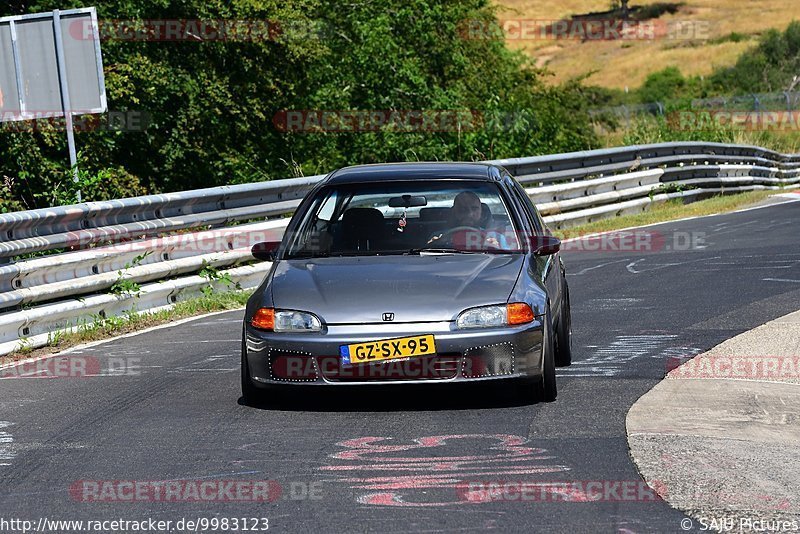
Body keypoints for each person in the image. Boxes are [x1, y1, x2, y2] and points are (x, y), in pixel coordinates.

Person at [427, 191, 510, 249]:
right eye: (463, 209)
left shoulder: (497, 237)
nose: (469, 214)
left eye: (474, 209)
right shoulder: (439, 236)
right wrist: (433, 246)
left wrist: (497, 249)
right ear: (454, 212)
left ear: (482, 212)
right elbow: (428, 261)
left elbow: (509, 263)